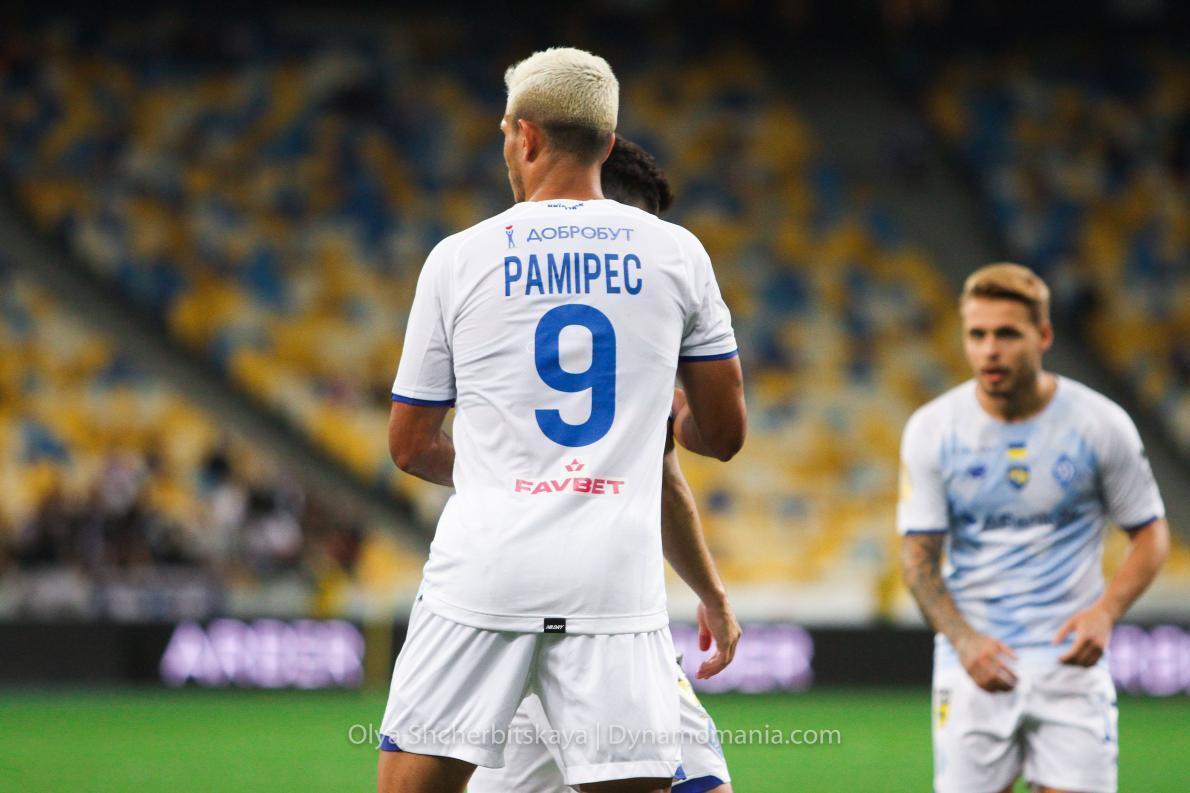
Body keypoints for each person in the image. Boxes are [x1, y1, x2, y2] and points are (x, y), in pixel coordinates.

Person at [378, 48, 746, 793]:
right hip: (612, 578)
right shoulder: (678, 253)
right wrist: (656, 427)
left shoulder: (458, 259)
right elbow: (724, 435)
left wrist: (508, 467)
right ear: (608, 145)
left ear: (525, 135)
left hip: (483, 574)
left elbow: (410, 446)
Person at [468, 138, 735, 793]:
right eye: (639, 224)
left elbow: (665, 477)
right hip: (594, 617)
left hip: (528, 609)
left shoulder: (499, 301)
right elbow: (710, 442)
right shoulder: (628, 326)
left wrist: (711, 592)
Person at [898, 263, 1169, 793]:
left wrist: (1106, 613)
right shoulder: (932, 429)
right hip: (973, 665)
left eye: (1006, 334)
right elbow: (917, 559)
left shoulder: (1099, 424)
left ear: (1043, 336)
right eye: (977, 335)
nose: (989, 350)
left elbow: (1150, 532)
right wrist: (964, 640)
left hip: (1069, 665)